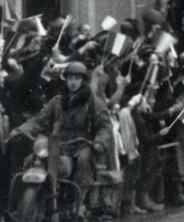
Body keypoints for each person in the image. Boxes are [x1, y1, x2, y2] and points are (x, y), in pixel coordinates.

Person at [8, 62, 112, 215]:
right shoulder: (58, 101)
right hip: (58, 144)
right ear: (66, 80)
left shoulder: (93, 102)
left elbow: (104, 126)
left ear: (83, 80)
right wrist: (21, 130)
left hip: (82, 144)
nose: (73, 82)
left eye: (77, 78)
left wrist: (99, 142)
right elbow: (39, 119)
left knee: (84, 159)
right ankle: (26, 203)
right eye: (70, 78)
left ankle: (80, 202)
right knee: (34, 159)